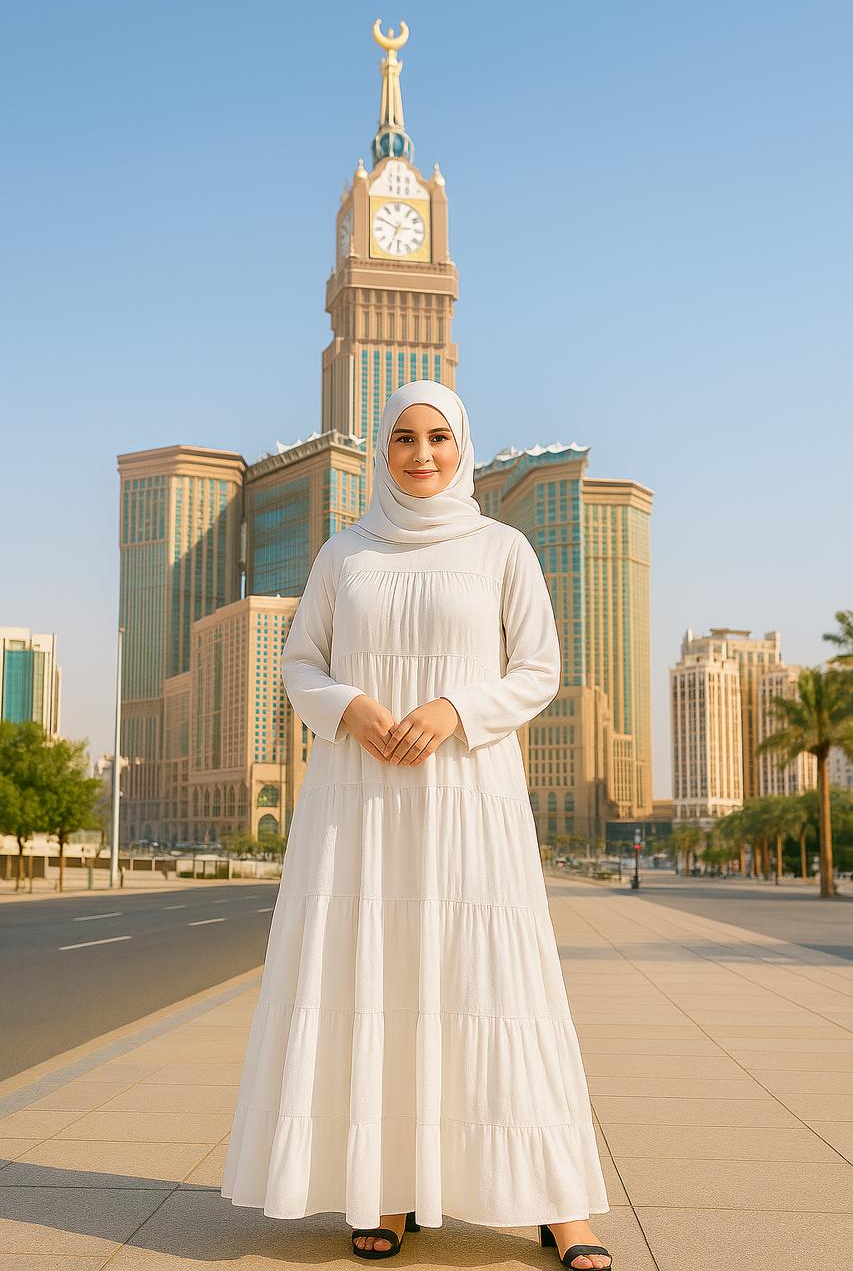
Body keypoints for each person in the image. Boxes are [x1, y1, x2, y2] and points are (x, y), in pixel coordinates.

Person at [220, 380, 612, 1268]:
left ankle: (558, 1204)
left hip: (468, 800)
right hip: (359, 801)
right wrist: (350, 706)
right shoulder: (344, 554)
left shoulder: (500, 548)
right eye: (403, 438)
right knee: (377, 979)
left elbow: (538, 668)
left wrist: (452, 709)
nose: (421, 453)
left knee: (494, 987)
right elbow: (299, 662)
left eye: (437, 437)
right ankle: (388, 1188)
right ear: (382, 452)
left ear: (461, 446)